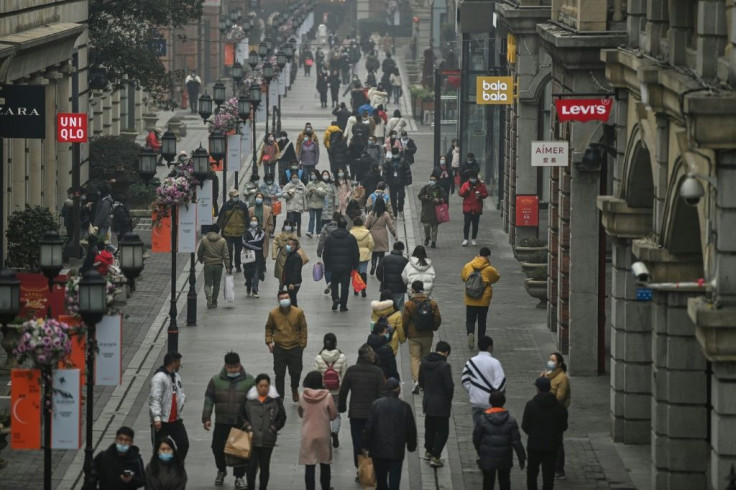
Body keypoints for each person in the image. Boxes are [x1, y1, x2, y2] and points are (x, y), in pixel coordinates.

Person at [202, 352, 255, 489]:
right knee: (217, 448)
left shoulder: (249, 381)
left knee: (239, 451)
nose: (233, 370)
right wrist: (206, 418)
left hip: (240, 422)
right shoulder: (216, 380)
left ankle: (239, 477)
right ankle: (221, 469)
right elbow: (209, 399)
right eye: (230, 367)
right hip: (222, 421)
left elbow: (254, 402)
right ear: (225, 366)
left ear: (239, 365)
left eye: (235, 367)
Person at [338, 344, 386, 473]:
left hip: (356, 414)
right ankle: (372, 467)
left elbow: (343, 391)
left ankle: (360, 469)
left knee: (358, 442)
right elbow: (382, 394)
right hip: (373, 414)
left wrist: (341, 406)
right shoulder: (378, 372)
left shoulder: (351, 370)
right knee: (373, 440)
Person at [363, 378, 417, 490]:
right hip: (396, 448)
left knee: (381, 479)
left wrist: (366, 445)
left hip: (378, 448)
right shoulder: (404, 407)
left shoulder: (376, 404)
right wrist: (411, 445)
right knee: (395, 478)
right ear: (398, 389)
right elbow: (410, 428)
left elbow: (369, 427)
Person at [473, 391, 526, 490]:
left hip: (487, 455)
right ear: (503, 402)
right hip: (504, 456)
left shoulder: (482, 419)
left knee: (488, 482)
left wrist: (480, 451)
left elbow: (476, 438)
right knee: (505, 481)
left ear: (490, 402)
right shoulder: (511, 420)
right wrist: (521, 457)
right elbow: (516, 441)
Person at [522, 377, 568, 490]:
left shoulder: (531, 405)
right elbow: (563, 426)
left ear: (538, 389)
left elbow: (525, 425)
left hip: (534, 444)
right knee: (549, 474)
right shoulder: (558, 406)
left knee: (532, 473)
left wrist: (533, 433)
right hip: (552, 445)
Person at [243, 374, 287, 490]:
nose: (263, 388)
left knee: (264, 465)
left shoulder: (275, 400)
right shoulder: (249, 399)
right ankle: (250, 487)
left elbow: (282, 417)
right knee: (251, 466)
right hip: (252, 438)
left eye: (266, 386)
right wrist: (247, 426)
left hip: (268, 438)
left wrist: (273, 428)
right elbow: (241, 415)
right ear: (256, 386)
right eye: (261, 386)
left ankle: (263, 487)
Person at [265, 290, 308, 402]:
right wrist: (269, 342)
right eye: (282, 298)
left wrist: (302, 345)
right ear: (279, 300)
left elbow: (303, 328)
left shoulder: (298, 312)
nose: (285, 300)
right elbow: (269, 327)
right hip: (279, 348)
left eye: (286, 297)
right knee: (279, 374)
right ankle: (280, 396)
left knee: (296, 372)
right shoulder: (273, 314)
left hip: (295, 347)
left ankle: (294, 388)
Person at [299, 371, 338, 490]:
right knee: (325, 463)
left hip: (307, 433)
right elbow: (333, 415)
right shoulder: (327, 396)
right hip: (323, 432)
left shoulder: (302, 396)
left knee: (309, 465)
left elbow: (301, 413)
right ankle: (325, 487)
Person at [418, 341, 454, 468]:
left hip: (428, 401)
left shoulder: (425, 363)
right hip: (441, 403)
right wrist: (448, 399)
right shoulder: (444, 366)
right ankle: (436, 455)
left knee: (430, 428)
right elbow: (449, 387)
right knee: (443, 431)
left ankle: (428, 451)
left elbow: (421, 382)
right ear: (446, 353)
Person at [402, 280, 442, 394]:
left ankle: (416, 381)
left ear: (413, 290)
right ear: (423, 289)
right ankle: (425, 381)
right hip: (427, 335)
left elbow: (404, 321)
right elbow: (438, 318)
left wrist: (405, 333)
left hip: (413, 335)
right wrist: (433, 328)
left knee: (415, 358)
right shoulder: (432, 303)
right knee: (425, 358)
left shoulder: (409, 304)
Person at [149, 352, 189, 461]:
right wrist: (157, 417)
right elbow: (154, 399)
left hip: (175, 419)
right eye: (179, 362)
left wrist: (183, 399)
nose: (180, 365)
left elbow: (180, 391)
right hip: (162, 422)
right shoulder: (159, 378)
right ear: (173, 363)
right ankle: (161, 472)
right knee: (160, 450)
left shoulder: (176, 377)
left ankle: (176, 466)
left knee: (184, 444)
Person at [461, 247, 501, 348]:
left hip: (470, 297)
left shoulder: (468, 265)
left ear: (478, 254)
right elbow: (496, 277)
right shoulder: (489, 269)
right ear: (488, 256)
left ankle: (470, 333)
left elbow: (463, 277)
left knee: (470, 319)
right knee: (482, 321)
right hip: (484, 298)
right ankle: (481, 341)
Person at [462, 335, 507, 426]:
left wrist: (473, 390)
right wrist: (495, 393)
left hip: (477, 402)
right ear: (490, 347)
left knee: (478, 429)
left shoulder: (470, 362)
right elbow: (501, 381)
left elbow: (465, 380)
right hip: (491, 404)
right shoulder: (495, 362)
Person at [313, 333, 348, 448]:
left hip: (324, 392)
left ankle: (325, 435)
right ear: (335, 343)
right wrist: (342, 388)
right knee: (336, 414)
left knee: (324, 414)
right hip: (337, 391)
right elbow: (344, 375)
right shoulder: (342, 357)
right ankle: (335, 431)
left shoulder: (319, 358)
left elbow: (315, 375)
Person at [542, 353, 571, 480]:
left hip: (557, 413)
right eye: (550, 359)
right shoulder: (548, 375)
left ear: (559, 363)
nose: (550, 362)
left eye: (553, 360)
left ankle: (559, 468)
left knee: (557, 441)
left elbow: (560, 398)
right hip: (547, 412)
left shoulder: (562, 378)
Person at [323, 218, 360, 312]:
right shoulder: (351, 238)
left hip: (334, 265)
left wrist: (327, 265)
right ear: (346, 226)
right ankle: (343, 305)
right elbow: (355, 253)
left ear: (338, 225)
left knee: (334, 283)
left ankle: (335, 299)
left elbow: (325, 252)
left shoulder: (330, 237)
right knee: (345, 285)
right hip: (346, 266)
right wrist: (355, 265)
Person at [197, 224, 231, 309]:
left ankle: (208, 295)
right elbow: (226, 254)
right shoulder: (222, 240)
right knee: (217, 284)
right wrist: (227, 266)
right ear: (218, 231)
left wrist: (201, 260)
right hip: (218, 265)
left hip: (208, 264)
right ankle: (214, 301)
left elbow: (200, 251)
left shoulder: (204, 240)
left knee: (208, 283)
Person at [216, 189, 249, 273]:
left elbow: (246, 218)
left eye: (237, 196)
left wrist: (247, 230)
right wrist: (216, 230)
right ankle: (229, 266)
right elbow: (221, 219)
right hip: (228, 233)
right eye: (235, 196)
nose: (236, 197)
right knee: (229, 251)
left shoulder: (243, 206)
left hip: (239, 232)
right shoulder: (225, 206)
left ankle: (238, 265)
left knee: (238, 251)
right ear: (230, 197)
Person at [365, 196, 397, 275]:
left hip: (373, 234)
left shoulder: (371, 213)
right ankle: (380, 267)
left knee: (374, 252)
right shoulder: (385, 214)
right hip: (382, 233)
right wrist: (394, 235)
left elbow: (366, 225)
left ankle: (373, 265)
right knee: (381, 253)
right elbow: (390, 226)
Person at [459, 171, 489, 246]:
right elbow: (461, 193)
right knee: (467, 224)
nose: (473, 179)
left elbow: (485, 194)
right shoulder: (466, 185)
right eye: (472, 178)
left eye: (474, 178)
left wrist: (480, 195)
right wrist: (467, 191)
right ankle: (465, 239)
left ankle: (473, 238)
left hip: (477, 207)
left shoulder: (481, 185)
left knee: (475, 224)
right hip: (467, 207)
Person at [418, 173, 448, 248]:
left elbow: (445, 198)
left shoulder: (440, 189)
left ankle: (434, 241)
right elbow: (419, 196)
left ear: (436, 181)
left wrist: (439, 200)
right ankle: (427, 237)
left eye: (433, 180)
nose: (431, 181)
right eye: (430, 180)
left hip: (436, 212)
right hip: (426, 210)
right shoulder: (425, 188)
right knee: (426, 226)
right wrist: (424, 197)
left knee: (435, 227)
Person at [376, 241, 409, 310]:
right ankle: (397, 320)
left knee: (386, 307)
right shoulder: (405, 261)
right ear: (402, 250)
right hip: (399, 289)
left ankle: (388, 320)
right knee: (399, 306)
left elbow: (378, 272)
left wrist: (383, 281)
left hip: (386, 288)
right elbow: (407, 276)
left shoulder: (385, 259)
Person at [370, 289, 405, 355]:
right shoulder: (397, 313)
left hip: (378, 339)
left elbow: (373, 324)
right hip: (391, 341)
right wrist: (402, 339)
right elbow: (399, 328)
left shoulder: (375, 311)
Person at [349, 217, 374, 297]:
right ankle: (363, 289)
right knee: (363, 272)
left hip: (354, 254)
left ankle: (356, 289)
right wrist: (368, 250)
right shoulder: (367, 233)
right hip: (364, 254)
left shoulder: (351, 232)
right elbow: (371, 244)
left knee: (356, 272)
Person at [242, 216, 266, 298]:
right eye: (252, 220)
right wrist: (256, 247)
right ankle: (248, 285)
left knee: (256, 273)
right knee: (248, 273)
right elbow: (244, 242)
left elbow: (260, 241)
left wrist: (249, 243)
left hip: (258, 256)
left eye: (255, 220)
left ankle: (255, 289)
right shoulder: (245, 232)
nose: (253, 222)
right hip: (248, 256)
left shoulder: (261, 232)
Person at [383, 150, 412, 217]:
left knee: (401, 197)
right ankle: (395, 212)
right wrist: (385, 181)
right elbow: (385, 173)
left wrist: (408, 181)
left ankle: (400, 208)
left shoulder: (404, 162)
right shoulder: (388, 162)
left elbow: (407, 172)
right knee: (393, 198)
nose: (395, 155)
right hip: (392, 183)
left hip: (401, 182)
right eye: (394, 153)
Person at [272, 220, 298, 286]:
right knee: (281, 272)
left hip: (291, 257)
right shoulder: (279, 236)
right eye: (287, 225)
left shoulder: (294, 236)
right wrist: (274, 254)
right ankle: (281, 286)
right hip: (282, 257)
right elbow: (274, 244)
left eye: (289, 225)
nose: (288, 227)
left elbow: (298, 246)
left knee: (290, 273)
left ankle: (289, 285)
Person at [283, 171, 307, 237]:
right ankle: (290, 232)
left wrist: (305, 207)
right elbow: (284, 195)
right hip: (290, 206)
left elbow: (304, 196)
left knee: (298, 220)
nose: (295, 178)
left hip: (299, 206)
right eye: (293, 177)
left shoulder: (301, 185)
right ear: (291, 178)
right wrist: (289, 194)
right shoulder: (288, 186)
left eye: (296, 177)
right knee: (291, 220)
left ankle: (298, 232)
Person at [282, 238, 304, 306]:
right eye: (287, 244)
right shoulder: (291, 254)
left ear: (294, 246)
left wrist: (292, 283)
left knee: (292, 300)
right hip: (289, 281)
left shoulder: (296, 257)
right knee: (292, 299)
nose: (287, 246)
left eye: (289, 245)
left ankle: (295, 314)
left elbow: (296, 271)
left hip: (294, 283)